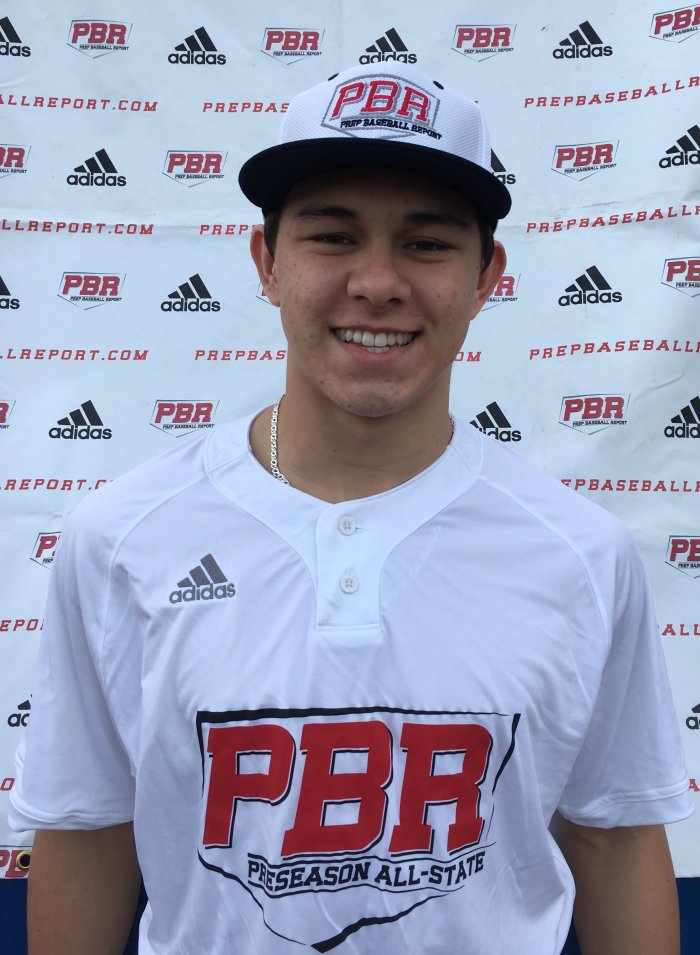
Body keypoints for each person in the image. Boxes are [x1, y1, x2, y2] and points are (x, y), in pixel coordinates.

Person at [9, 62, 692, 955]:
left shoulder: (581, 554)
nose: (376, 282)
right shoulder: (121, 536)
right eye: (333, 236)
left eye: (427, 243)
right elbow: (88, 829)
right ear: (267, 263)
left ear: (486, 276)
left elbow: (614, 839)